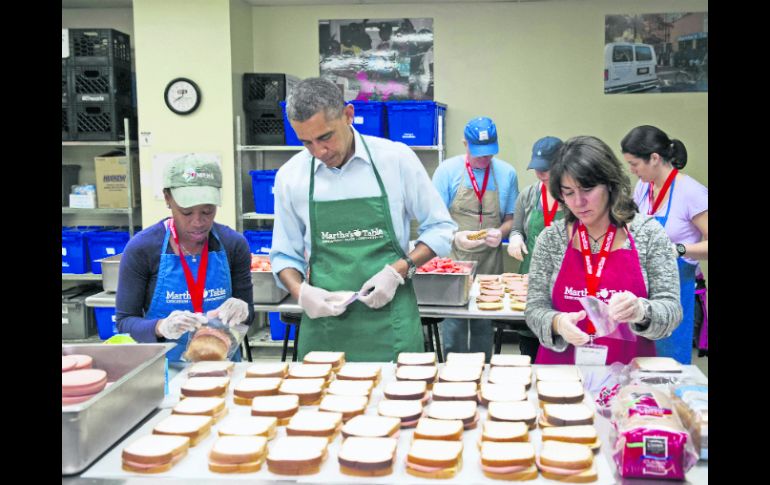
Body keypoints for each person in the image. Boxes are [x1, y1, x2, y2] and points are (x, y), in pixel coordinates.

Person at [269, 77, 456, 362]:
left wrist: (398, 270)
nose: (318, 152)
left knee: (400, 402)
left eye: (325, 137)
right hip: (325, 328)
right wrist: (301, 292)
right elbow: (284, 255)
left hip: (391, 323)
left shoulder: (396, 161)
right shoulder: (291, 177)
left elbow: (441, 228)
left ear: (348, 115)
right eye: (306, 142)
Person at [525, 136, 682, 365]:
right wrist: (557, 323)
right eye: (568, 192)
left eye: (587, 189)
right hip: (561, 375)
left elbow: (671, 310)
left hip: (629, 377)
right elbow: (534, 309)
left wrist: (641, 311)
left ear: (610, 183)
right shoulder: (552, 240)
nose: (578, 202)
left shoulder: (648, 235)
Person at [116, 155, 254, 362]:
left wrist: (242, 310)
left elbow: (248, 314)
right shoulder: (142, 248)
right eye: (186, 212)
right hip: (162, 370)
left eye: (207, 211)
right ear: (167, 199)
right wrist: (161, 326)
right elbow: (125, 322)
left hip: (223, 365)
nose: (198, 222)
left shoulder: (233, 244)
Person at [432, 117, 519, 362]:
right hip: (453, 260)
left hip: (490, 261)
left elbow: (512, 219)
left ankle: (484, 375)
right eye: (479, 154)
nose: (484, 160)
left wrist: (500, 233)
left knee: (484, 324)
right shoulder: (447, 172)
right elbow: (434, 221)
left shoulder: (506, 173)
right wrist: (455, 237)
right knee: (455, 327)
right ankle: (453, 377)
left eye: (489, 154)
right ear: (465, 144)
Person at [621, 125, 708, 364]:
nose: (631, 170)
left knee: (668, 360)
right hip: (642, 282)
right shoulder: (643, 187)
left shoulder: (691, 192)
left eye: (634, 164)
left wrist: (679, 249)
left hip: (677, 282)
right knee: (639, 356)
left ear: (655, 158)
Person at [506, 136, 564, 360]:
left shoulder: (573, 196)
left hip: (562, 278)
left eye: (547, 169)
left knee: (560, 342)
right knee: (530, 345)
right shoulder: (528, 196)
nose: (541, 174)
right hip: (530, 275)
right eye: (537, 169)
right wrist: (516, 238)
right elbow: (517, 228)